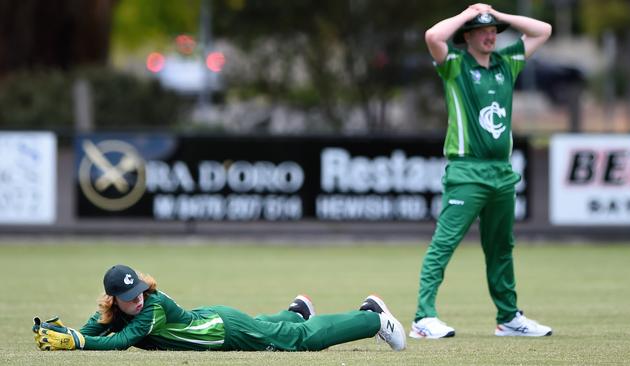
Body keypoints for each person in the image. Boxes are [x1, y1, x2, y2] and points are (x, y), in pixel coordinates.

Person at [411, 3, 553, 339]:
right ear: (468, 36)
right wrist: (467, 14)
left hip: (502, 173)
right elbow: (433, 36)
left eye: (493, 32)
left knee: (501, 246)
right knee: (444, 243)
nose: (490, 36)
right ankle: (423, 318)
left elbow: (543, 30)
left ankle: (508, 318)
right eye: (483, 31)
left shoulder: (507, 64)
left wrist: (499, 17)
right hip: (466, 172)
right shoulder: (456, 65)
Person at [34, 264, 406, 351]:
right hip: (218, 320)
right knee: (280, 326)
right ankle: (295, 310)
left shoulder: (151, 308)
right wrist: (70, 332)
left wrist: (77, 343)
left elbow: (120, 342)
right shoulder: (117, 308)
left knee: (297, 342)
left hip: (226, 330)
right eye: (129, 298)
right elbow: (97, 327)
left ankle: (370, 317)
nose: (138, 299)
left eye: (140, 292)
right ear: (113, 298)